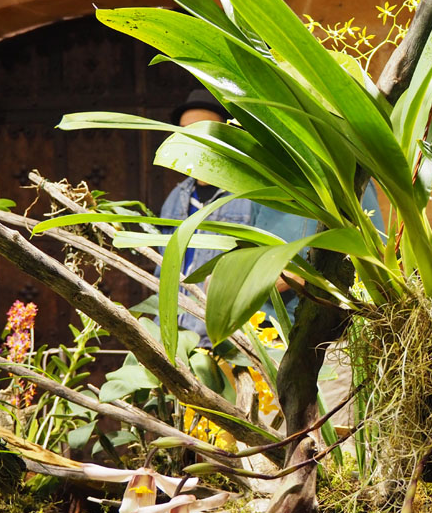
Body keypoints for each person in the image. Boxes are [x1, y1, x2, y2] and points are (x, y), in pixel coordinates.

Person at [159, 90, 253, 345]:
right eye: (184, 131)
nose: (192, 139)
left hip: (225, 339)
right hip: (173, 336)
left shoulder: (249, 196)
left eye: (202, 129)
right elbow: (162, 271)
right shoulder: (175, 198)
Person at [251, 181, 384, 323]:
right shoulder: (267, 181)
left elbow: (372, 257)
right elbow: (249, 243)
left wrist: (302, 276)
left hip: (323, 319)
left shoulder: (349, 183)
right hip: (264, 315)